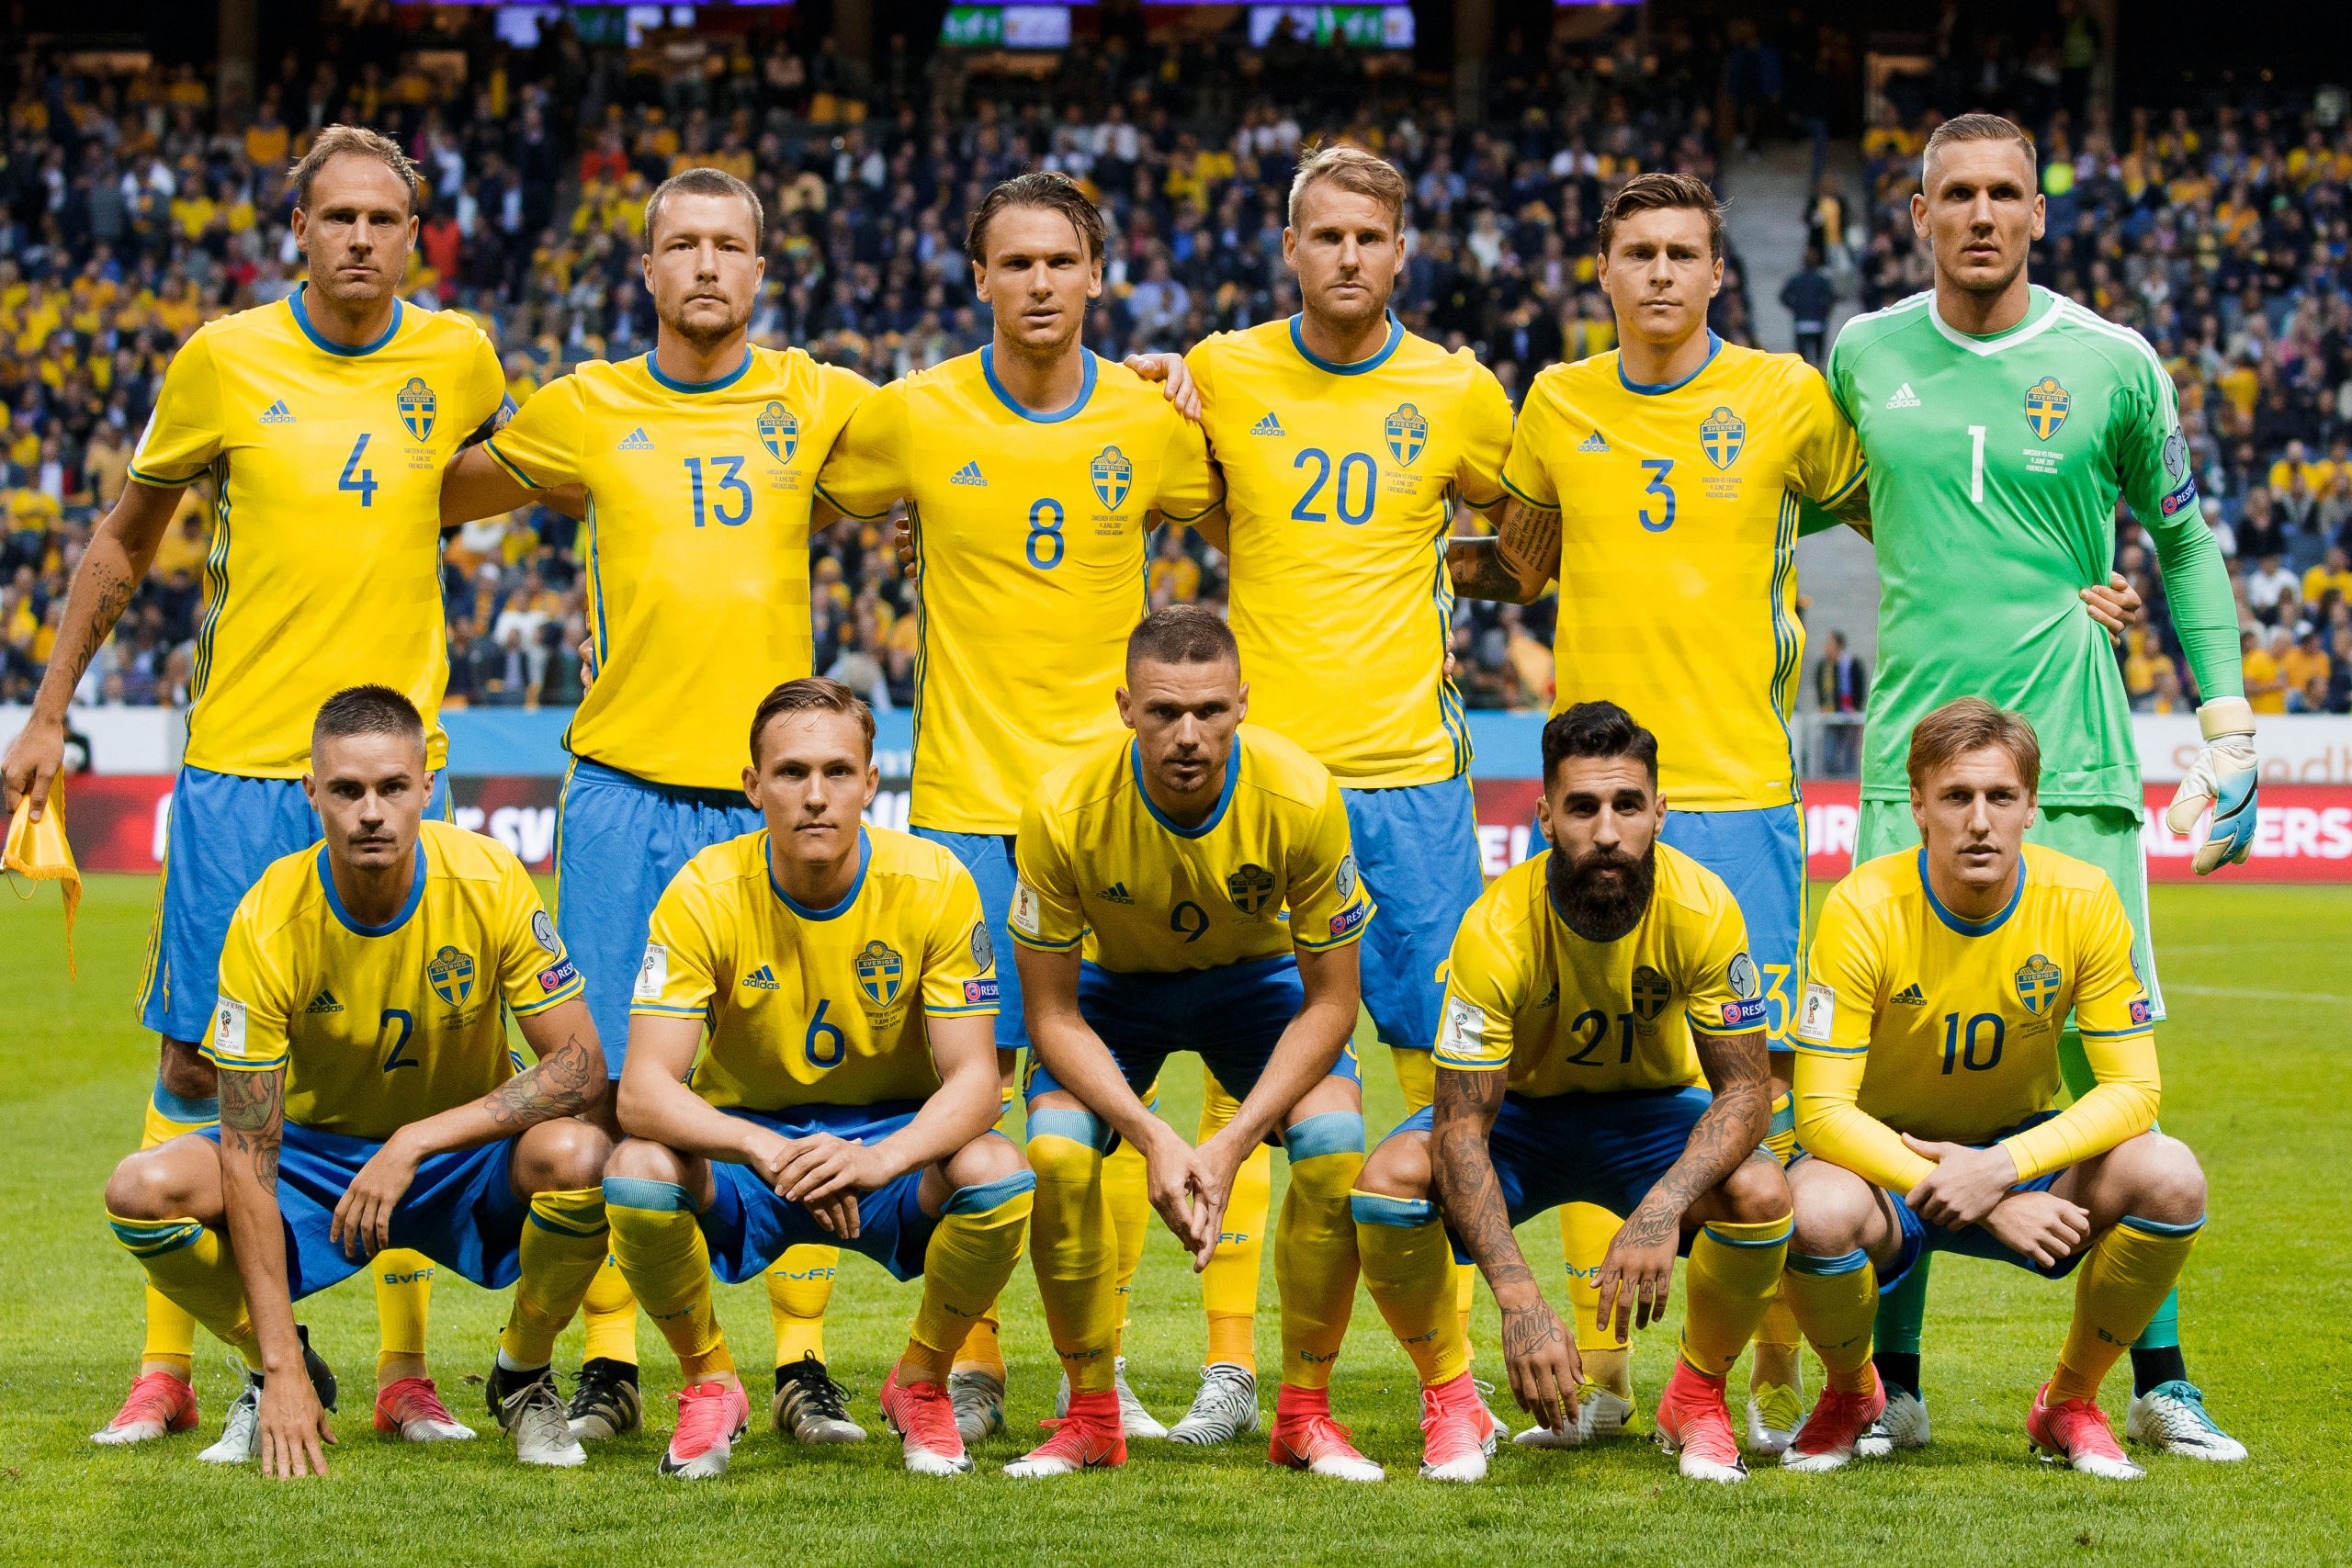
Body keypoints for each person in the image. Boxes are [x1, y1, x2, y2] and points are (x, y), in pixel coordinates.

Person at [5, 126, 515, 1448]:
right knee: (197, 1054)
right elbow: (125, 538)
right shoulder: (222, 359)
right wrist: (50, 710)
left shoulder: (459, 358)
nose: (360, 238)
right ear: (298, 229)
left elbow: (500, 477)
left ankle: (407, 1369)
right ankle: (175, 1362)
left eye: (384, 220)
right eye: (337, 217)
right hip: (241, 762)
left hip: (395, 765)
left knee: (407, 1052)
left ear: (416, 237)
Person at [1824, 112, 2252, 1461]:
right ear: (1919, 214)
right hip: (1908, 766)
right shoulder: (1862, 353)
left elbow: (2181, 537)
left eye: (2005, 192)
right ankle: (1891, 1384)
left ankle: (2150, 1380)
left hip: (2074, 757)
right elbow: (1843, 497)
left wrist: (2227, 721)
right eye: (1956, 193)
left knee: (2100, 1064)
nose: (1982, 214)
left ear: (2039, 214)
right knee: (1895, 1074)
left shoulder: (2114, 361)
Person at [440, 166, 878, 1443]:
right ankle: (611, 1358)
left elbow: (956, 440)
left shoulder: (817, 397)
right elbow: (437, 491)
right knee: (599, 1089)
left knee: (789, 1077)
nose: (705, 265)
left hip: (773, 794)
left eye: (728, 245)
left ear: (760, 269)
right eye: (681, 245)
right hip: (623, 791)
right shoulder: (584, 406)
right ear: (646, 269)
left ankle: (800, 1361)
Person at [816, 171, 1250, 1446]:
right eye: (1015, 263)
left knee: (1093, 1105)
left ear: (1097, 275)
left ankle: (1091, 1372)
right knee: (973, 1095)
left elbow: (1245, 514)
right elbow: (801, 481)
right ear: (979, 279)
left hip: (1111, 814)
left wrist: (1190, 379)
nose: (1040, 282)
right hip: (965, 804)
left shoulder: (1149, 416)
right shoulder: (913, 413)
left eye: (1062, 260)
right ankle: (973, 1361)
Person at [1446, 170, 1865, 1455]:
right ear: (1606, 269)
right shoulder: (1557, 403)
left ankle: (1758, 1372)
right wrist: (1377, 545)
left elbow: (1896, 509)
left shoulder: (1787, 395)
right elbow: (1519, 563)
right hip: (1597, 792)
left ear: (1718, 272)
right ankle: (1606, 1372)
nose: (1663, 273)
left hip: (1736, 787)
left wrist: (2062, 575)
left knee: (1755, 1087)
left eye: (1685, 252)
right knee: (1586, 1071)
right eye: (1640, 253)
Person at [1180, 147, 1514, 1394]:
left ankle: (1453, 1373)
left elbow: (1534, 536)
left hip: (1414, 785)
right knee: (1252, 1083)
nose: (1348, 255)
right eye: (1325, 235)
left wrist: (1440, 565)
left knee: (1450, 1081)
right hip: (1264, 787)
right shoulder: (1221, 371)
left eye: (1369, 236)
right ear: (1289, 247)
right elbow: (1185, 500)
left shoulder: (1458, 390)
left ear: (1401, 252)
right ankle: (1230, 1372)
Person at [99, 686, 612, 1476]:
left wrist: (415, 1141)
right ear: (313, 792)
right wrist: (279, 1364)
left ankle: (522, 1373)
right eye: (346, 789)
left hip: (461, 1155)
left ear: (427, 786)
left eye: (392, 787)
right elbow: (248, 1151)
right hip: (316, 1156)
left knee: (584, 1156)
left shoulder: (487, 878)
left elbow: (581, 1065)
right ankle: (276, 1370)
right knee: (140, 1190)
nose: (371, 812)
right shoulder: (269, 919)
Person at [601, 677, 1033, 1480]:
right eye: (791, 772)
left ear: (871, 781)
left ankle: (922, 1379)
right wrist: (759, 1147)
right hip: (747, 1154)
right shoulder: (703, 890)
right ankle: (710, 1383)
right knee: (637, 1170)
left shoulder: (935, 882)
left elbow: (978, 1083)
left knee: (998, 1171)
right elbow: (643, 1092)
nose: (815, 795)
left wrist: (878, 1158)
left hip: (890, 1151)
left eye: (837, 771)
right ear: (752, 784)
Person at [1351, 701, 1790, 1484]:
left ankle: (1695, 1400)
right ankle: (1452, 1400)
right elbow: (1460, 1128)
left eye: (1628, 805)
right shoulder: (1495, 929)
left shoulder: (1703, 907)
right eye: (1583, 807)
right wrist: (1520, 1299)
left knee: (1763, 1191)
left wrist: (1661, 1207)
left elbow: (1747, 1093)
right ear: (1546, 816)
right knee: (1389, 1181)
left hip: (1651, 1117)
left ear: (1660, 812)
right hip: (1524, 1121)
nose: (1608, 831)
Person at [1779, 699, 2210, 1481]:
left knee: (2171, 1174)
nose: (1980, 821)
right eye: (1956, 796)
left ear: (2031, 805)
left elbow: (2134, 1091)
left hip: (2018, 1150)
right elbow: (1821, 1112)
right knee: (1813, 1208)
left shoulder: (2083, 898)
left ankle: (2070, 1401)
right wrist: (1981, 1194)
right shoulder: (1862, 907)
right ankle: (1853, 1394)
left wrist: (2003, 1168)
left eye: (2000, 796)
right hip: (1887, 1165)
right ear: (1917, 805)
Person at [1012, 607, 1380, 1480]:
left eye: (1210, 710)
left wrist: (1232, 1139)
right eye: (1164, 711)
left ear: (1242, 703)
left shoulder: (1302, 795)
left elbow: (1334, 1001)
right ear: (1124, 707)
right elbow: (1051, 1015)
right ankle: (1091, 1415)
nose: (1188, 735)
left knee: (1334, 1142)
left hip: (1253, 986)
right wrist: (1153, 1135)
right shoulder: (1062, 807)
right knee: (1056, 1151)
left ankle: (1303, 1415)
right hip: (1113, 991)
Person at [1817, 630, 1868, 776]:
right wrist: (1823, 705)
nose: (1826, 647)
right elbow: (1820, 688)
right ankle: (1832, 780)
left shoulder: (1852, 664)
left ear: (1838, 645)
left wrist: (1855, 707)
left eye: (1829, 643)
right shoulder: (1824, 666)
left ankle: (1848, 781)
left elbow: (1860, 686)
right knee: (1829, 753)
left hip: (1850, 715)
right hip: (1831, 715)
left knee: (1849, 752)